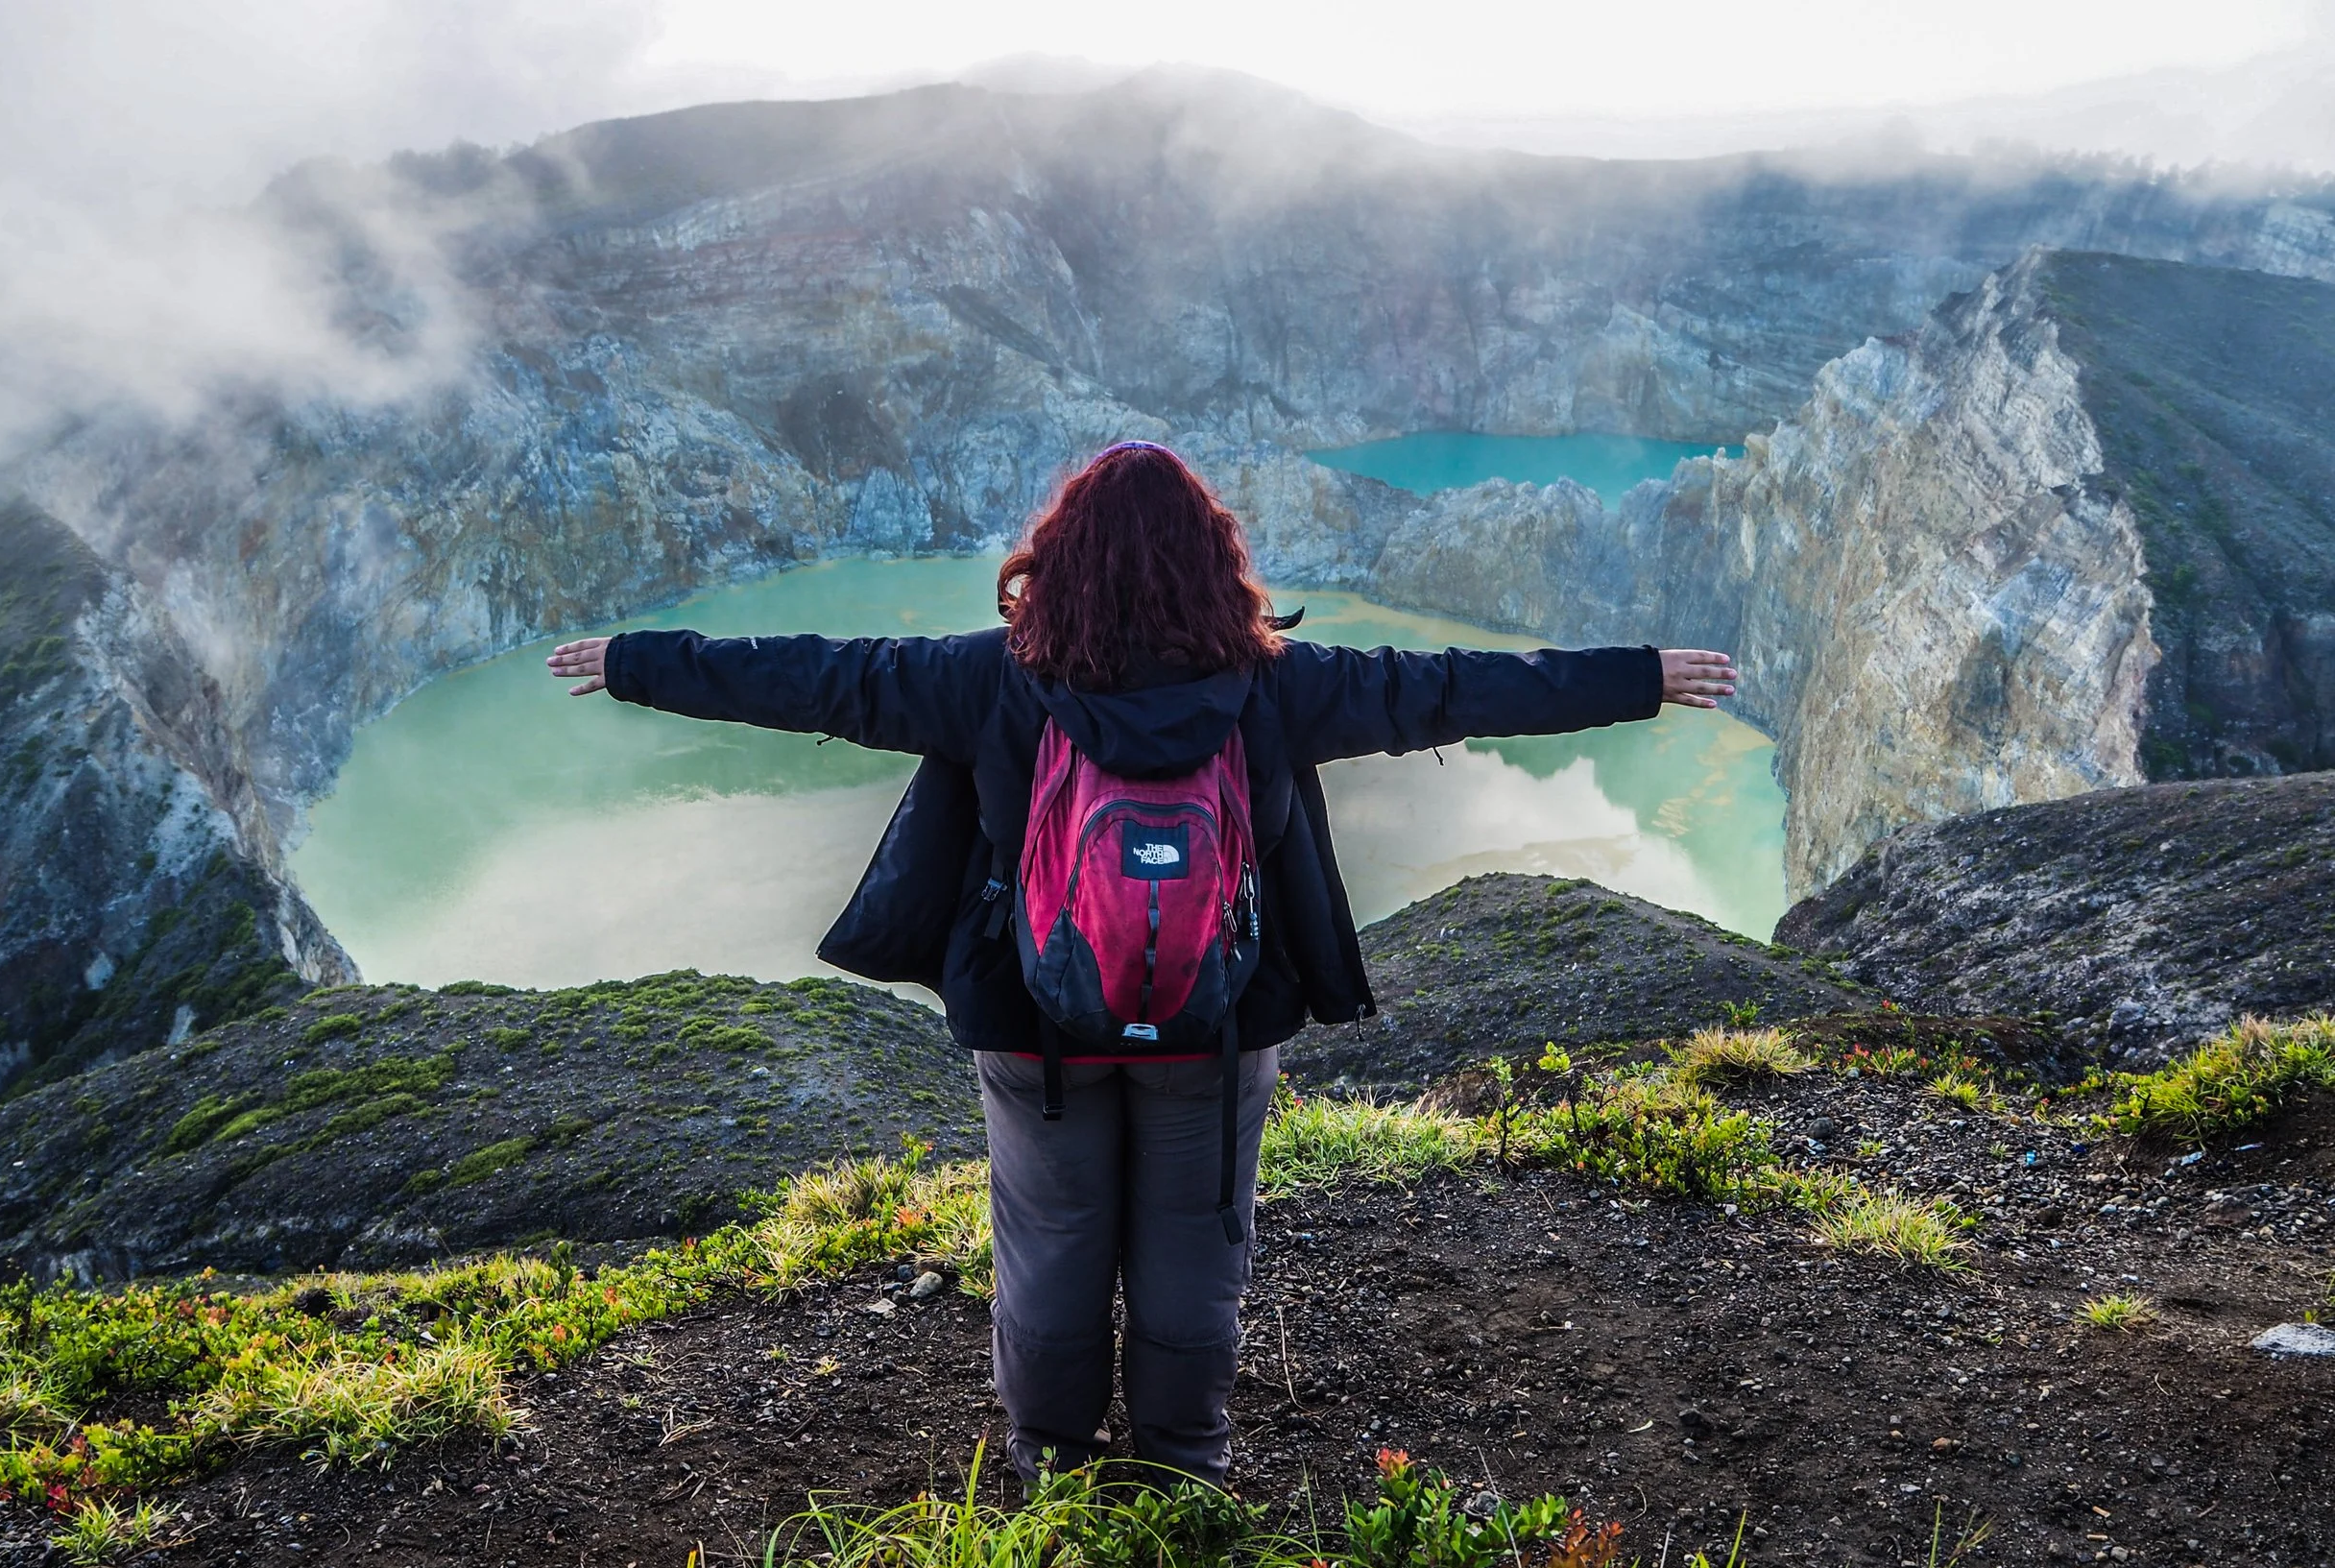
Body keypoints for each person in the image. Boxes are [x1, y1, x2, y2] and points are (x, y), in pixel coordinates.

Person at [547, 441, 1736, 1488]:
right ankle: (1182, 1466)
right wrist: (1643, 677)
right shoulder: (1281, 684)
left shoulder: (987, 677)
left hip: (1035, 1025)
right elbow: (1458, 688)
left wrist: (639, 660)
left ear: (1056, 563)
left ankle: (1050, 1469)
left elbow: (814, 674)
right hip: (1213, 1027)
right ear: (1216, 562)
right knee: (1196, 1236)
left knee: (1052, 1238)